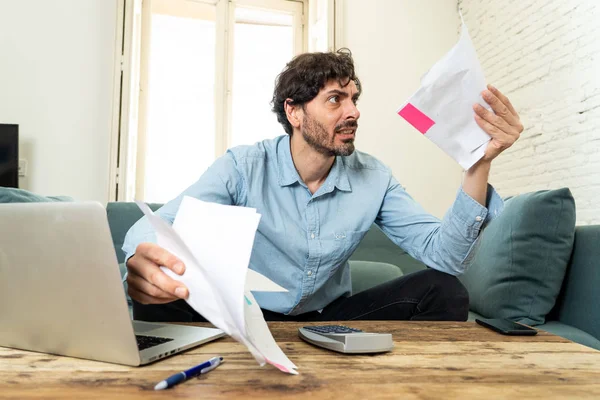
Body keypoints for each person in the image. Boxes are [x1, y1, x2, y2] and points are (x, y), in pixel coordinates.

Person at [123, 49, 523, 323]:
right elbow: (156, 226)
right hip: (246, 315)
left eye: (353, 98)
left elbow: (447, 257)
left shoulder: (374, 177)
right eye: (336, 100)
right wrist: (142, 261)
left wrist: (478, 162)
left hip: (328, 319)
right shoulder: (243, 167)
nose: (353, 111)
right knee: (158, 296)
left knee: (443, 289)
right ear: (294, 111)